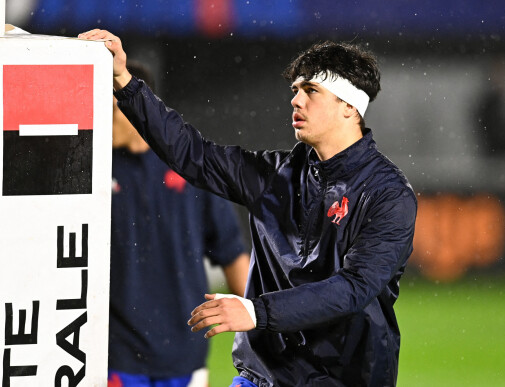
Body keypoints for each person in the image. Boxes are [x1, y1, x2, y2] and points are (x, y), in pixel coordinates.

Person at [79, 29, 417, 387]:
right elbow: (194, 155)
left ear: (350, 106)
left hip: (345, 378)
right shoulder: (276, 176)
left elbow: (353, 288)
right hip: (264, 376)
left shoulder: (389, 195)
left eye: (311, 91)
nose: (296, 101)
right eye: (295, 90)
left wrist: (256, 310)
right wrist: (124, 81)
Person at [108, 60, 250, 387]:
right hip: (117, 352)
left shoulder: (189, 165)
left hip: (185, 351)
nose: (103, 118)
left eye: (111, 109)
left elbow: (230, 252)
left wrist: (264, 324)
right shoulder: (92, 170)